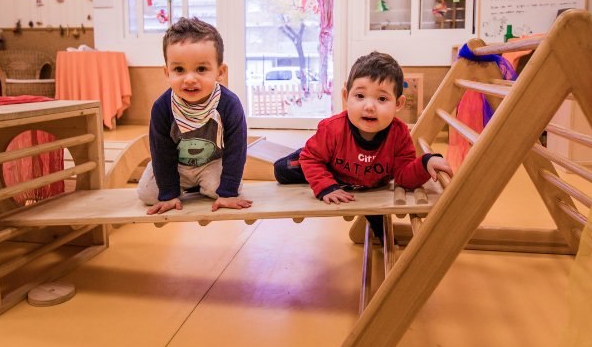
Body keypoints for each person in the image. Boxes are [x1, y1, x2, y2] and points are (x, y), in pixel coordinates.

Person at [273, 51, 453, 237]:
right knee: (281, 170)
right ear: (346, 96)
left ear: (398, 104)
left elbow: (403, 176)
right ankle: (310, 168)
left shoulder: (399, 134)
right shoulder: (332, 128)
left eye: (382, 99)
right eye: (360, 96)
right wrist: (326, 186)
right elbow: (311, 158)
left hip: (368, 183)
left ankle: (380, 232)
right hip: (328, 164)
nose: (369, 107)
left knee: (377, 211)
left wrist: (425, 163)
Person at [137, 17, 252, 214]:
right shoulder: (162, 108)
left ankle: (201, 185)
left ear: (220, 72)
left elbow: (236, 150)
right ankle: (184, 186)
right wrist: (168, 194)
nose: (190, 79)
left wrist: (227, 192)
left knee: (224, 189)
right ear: (167, 73)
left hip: (212, 163)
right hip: (175, 165)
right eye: (179, 69)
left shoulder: (230, 105)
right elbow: (161, 152)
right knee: (147, 194)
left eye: (201, 69)